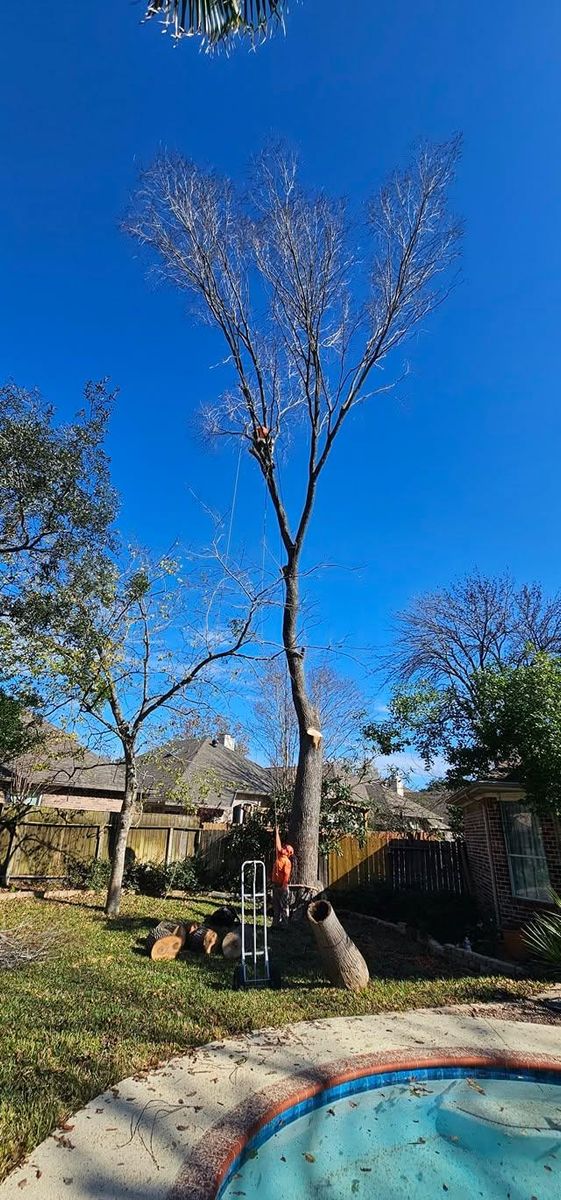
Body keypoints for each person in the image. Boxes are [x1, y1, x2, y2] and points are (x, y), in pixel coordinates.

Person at [271, 825, 294, 927]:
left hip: (282, 886)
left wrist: (284, 886)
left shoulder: (287, 861)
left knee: (283, 907)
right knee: (276, 906)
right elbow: (278, 845)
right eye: (284, 847)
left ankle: (284, 925)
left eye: (285, 848)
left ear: (289, 853)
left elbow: (286, 875)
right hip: (276, 885)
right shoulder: (280, 855)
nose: (283, 848)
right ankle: (275, 924)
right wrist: (276, 833)